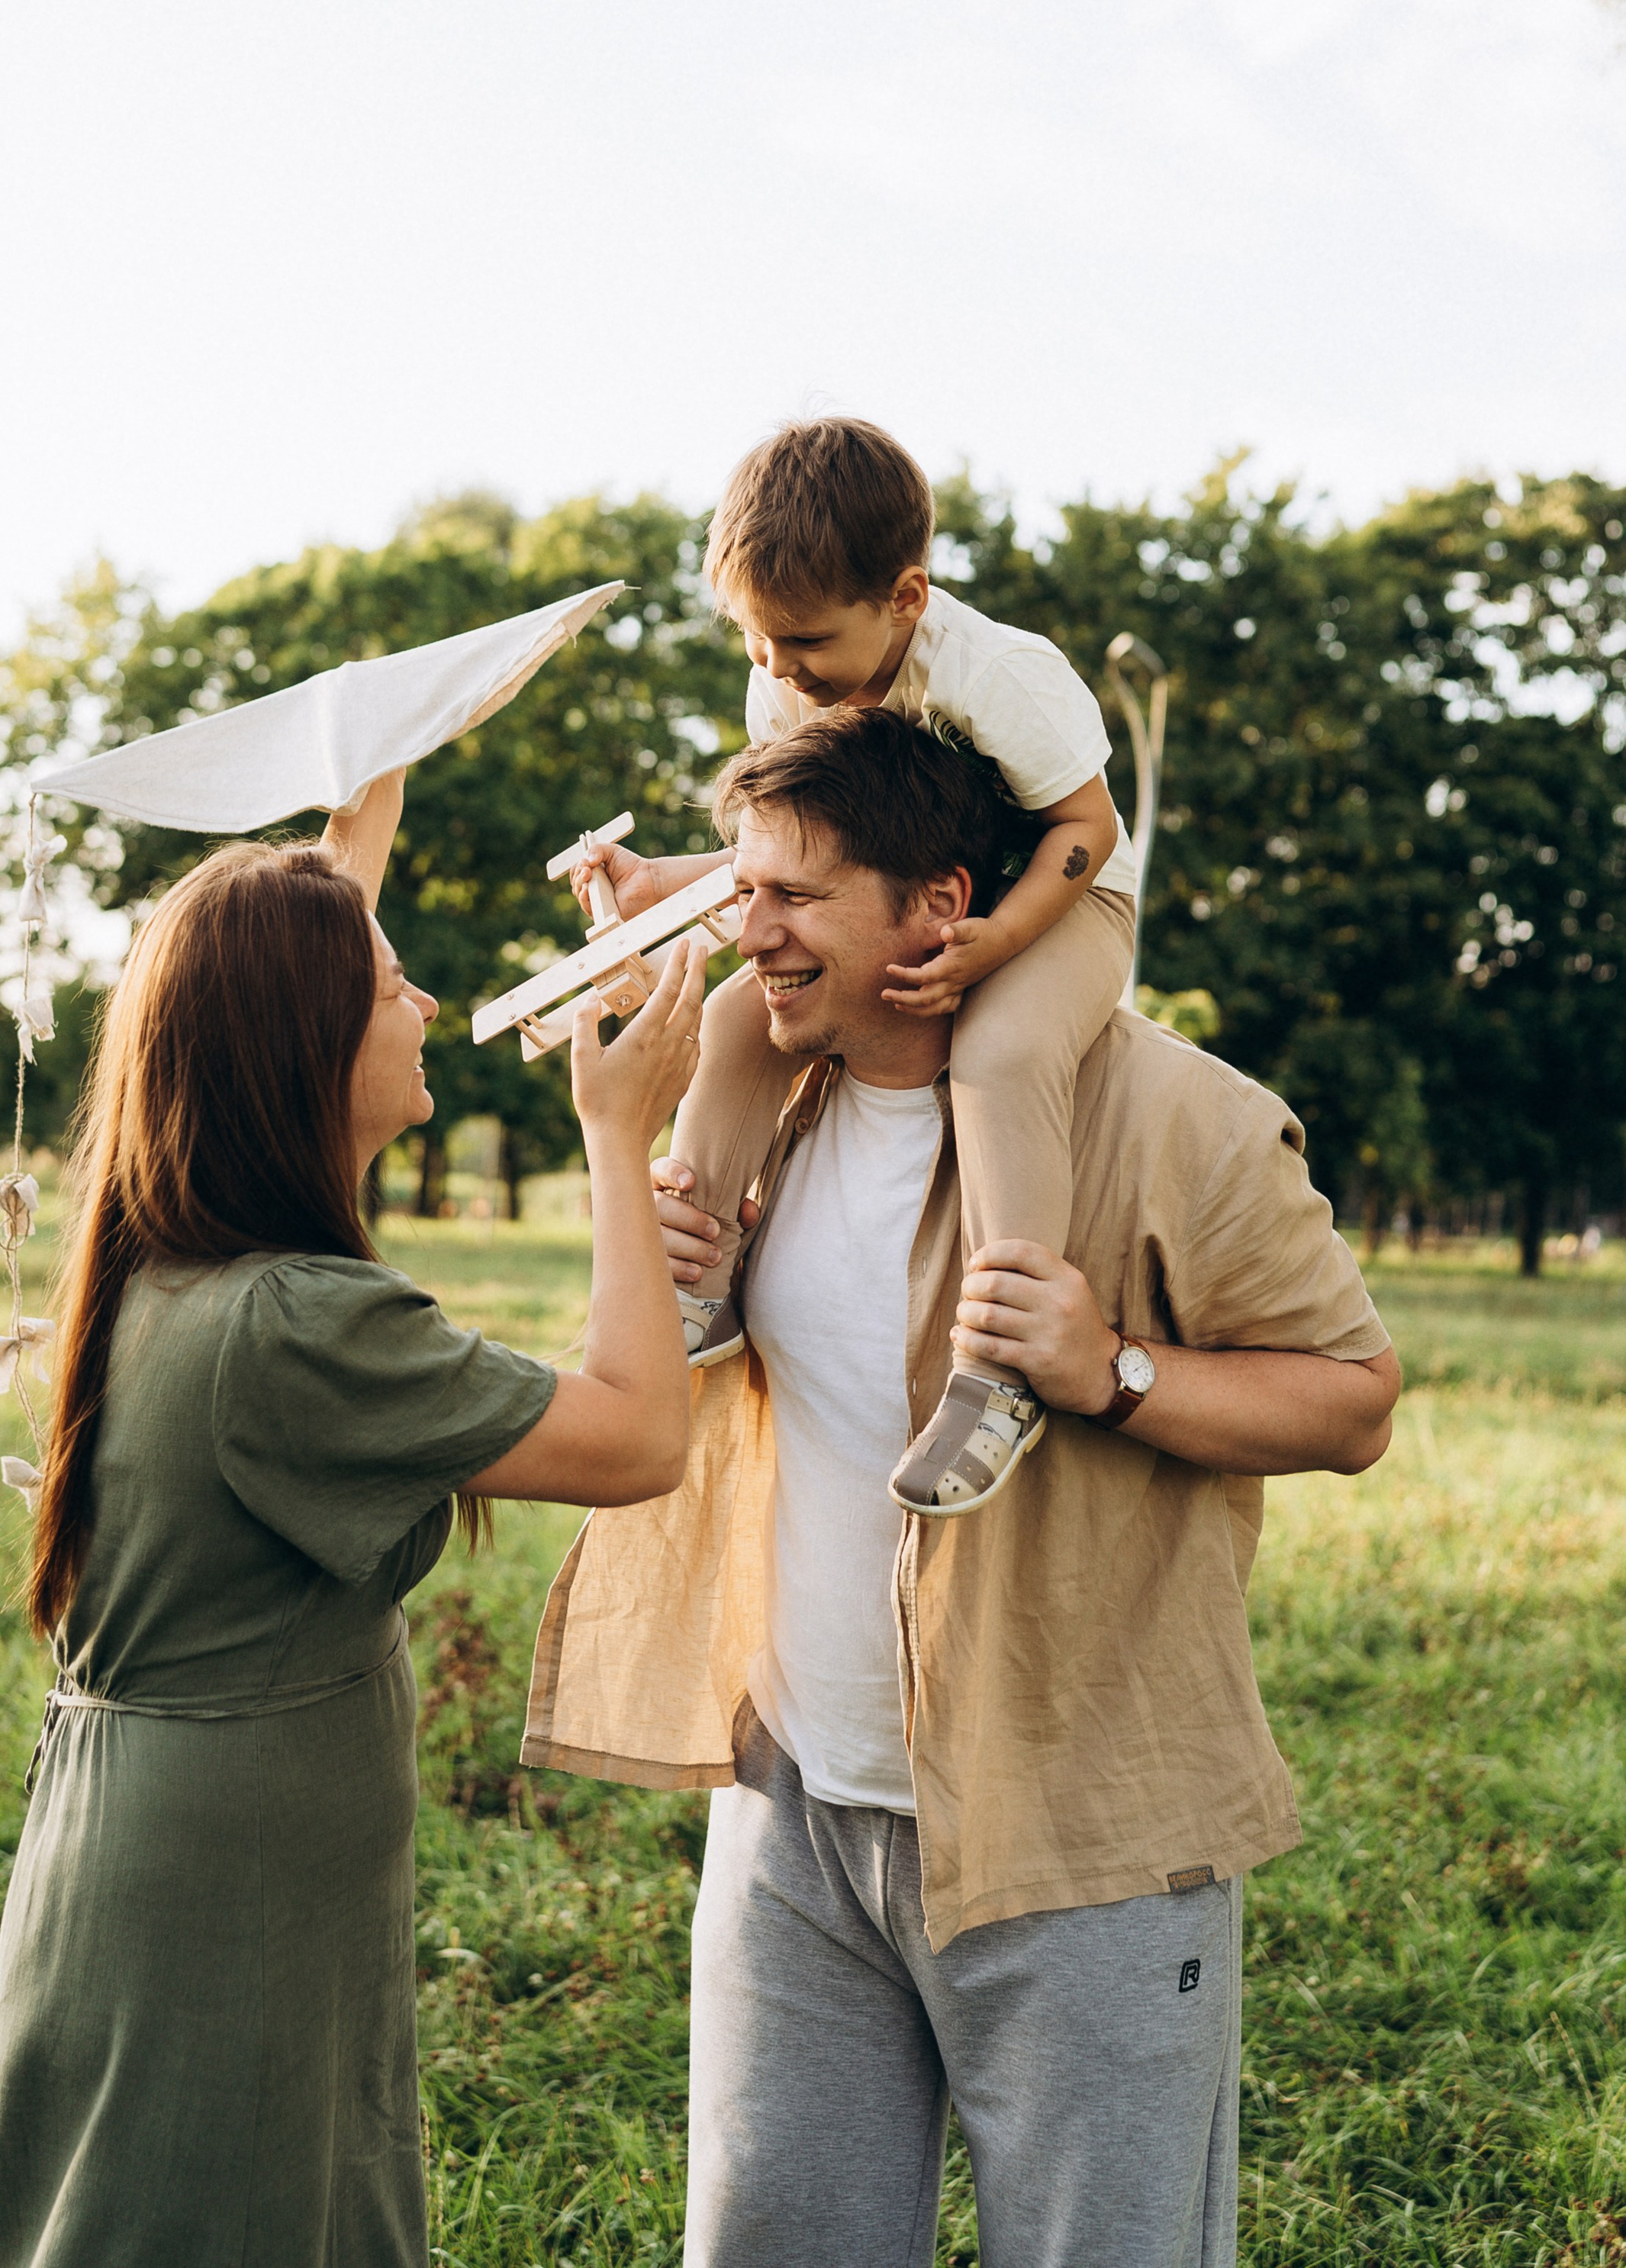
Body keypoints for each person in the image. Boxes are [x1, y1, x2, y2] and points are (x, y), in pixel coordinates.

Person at [523, 708, 1401, 2268]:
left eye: (793, 896)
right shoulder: (766, 1106)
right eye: (742, 887)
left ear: (937, 903)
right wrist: (680, 1280)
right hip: (795, 1816)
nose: (751, 929)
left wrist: (1107, 1370)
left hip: (1081, 1839)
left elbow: (1349, 1404)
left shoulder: (1175, 1119)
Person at [0, 770, 705, 2268]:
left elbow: (282, 943)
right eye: (388, 984)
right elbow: (635, 1435)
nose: (423, 1001)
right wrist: (620, 1135)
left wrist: (383, 774)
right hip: (216, 1898)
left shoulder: (171, 1258)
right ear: (300, 1046)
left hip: (185, 1862)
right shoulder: (294, 1322)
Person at [574, 414, 1137, 1517]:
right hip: (902, 901)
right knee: (739, 1020)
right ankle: (701, 1270)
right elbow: (787, 851)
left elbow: (1087, 825)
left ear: (906, 601)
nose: (780, 672)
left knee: (1001, 1050)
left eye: (806, 646)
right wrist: (665, 884)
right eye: (757, 644)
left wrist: (999, 941)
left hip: (1054, 897)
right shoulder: (790, 678)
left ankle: (1004, 1363)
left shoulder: (998, 675)